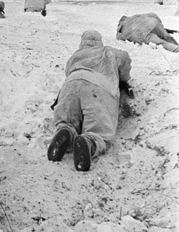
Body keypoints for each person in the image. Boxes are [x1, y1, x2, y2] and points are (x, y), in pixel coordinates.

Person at [47, 30, 132, 172]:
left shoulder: (75, 56)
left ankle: (66, 131)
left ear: (82, 42)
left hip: (70, 84)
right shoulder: (108, 52)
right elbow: (125, 58)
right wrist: (123, 77)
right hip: (97, 88)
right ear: (100, 42)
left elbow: (68, 72)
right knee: (99, 129)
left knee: (67, 120)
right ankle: (89, 141)